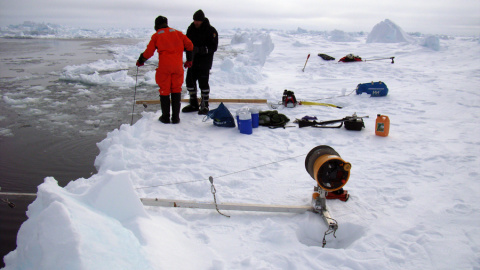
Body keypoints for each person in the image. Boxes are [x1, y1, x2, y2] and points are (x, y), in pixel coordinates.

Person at [136, 15, 194, 124]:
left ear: (156, 25)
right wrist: (189, 60)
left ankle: (165, 117)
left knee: (164, 91)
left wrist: (141, 60)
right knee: (176, 89)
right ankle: (176, 118)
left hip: (164, 68)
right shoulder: (178, 33)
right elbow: (190, 45)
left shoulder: (157, 36)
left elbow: (149, 52)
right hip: (177, 67)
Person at [182, 9, 218, 115]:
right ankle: (193, 104)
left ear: (202, 20)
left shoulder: (211, 30)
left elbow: (213, 47)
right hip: (192, 61)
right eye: (194, 20)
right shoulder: (191, 29)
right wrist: (187, 50)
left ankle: (204, 105)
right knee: (190, 82)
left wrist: (200, 49)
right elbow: (187, 42)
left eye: (197, 21)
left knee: (203, 83)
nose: (196, 22)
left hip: (204, 62)